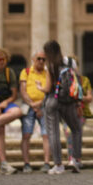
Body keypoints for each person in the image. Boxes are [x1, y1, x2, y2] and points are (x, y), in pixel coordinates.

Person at [36, 40, 83, 175]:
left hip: (53, 100)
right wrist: (78, 103)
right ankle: (75, 160)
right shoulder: (71, 62)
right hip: (68, 101)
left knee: (53, 133)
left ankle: (58, 165)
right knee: (76, 129)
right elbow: (77, 82)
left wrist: (39, 86)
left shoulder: (50, 65)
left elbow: (48, 88)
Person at [19, 51, 51, 173]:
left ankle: (47, 163)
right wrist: (33, 105)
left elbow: (49, 91)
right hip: (29, 106)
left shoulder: (48, 73)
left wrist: (39, 105)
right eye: (39, 59)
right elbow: (23, 91)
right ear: (33, 59)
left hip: (44, 106)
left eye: (44, 59)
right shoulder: (26, 72)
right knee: (26, 135)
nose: (41, 61)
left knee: (46, 135)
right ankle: (26, 163)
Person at [63, 56, 93, 169]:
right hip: (67, 112)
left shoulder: (84, 80)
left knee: (77, 134)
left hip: (81, 112)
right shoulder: (63, 79)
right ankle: (72, 158)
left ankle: (77, 158)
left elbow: (89, 97)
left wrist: (77, 97)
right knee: (69, 133)